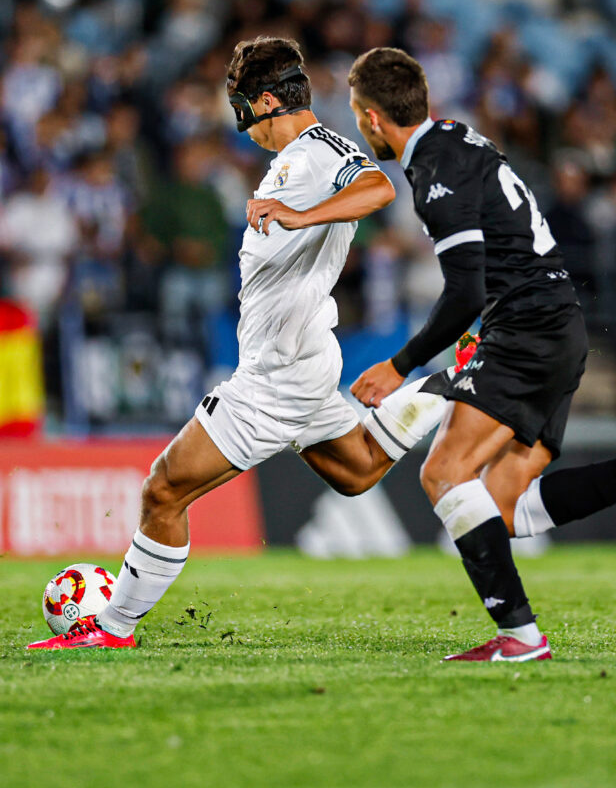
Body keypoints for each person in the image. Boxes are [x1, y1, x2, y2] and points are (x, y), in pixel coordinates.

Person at [27, 37, 468, 650]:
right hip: (303, 356)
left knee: (163, 489)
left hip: (276, 375)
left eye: (242, 111)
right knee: (359, 470)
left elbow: (379, 188)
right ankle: (448, 386)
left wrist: (300, 217)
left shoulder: (317, 152)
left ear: (265, 100)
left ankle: (111, 627)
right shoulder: (297, 158)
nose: (242, 128)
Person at [345, 47, 616, 663]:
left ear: (373, 118)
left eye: (355, 114)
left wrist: (399, 366)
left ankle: (522, 637)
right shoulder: (460, 137)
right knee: (502, 508)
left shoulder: (431, 170)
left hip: (527, 329)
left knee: (443, 472)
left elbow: (465, 289)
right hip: (557, 325)